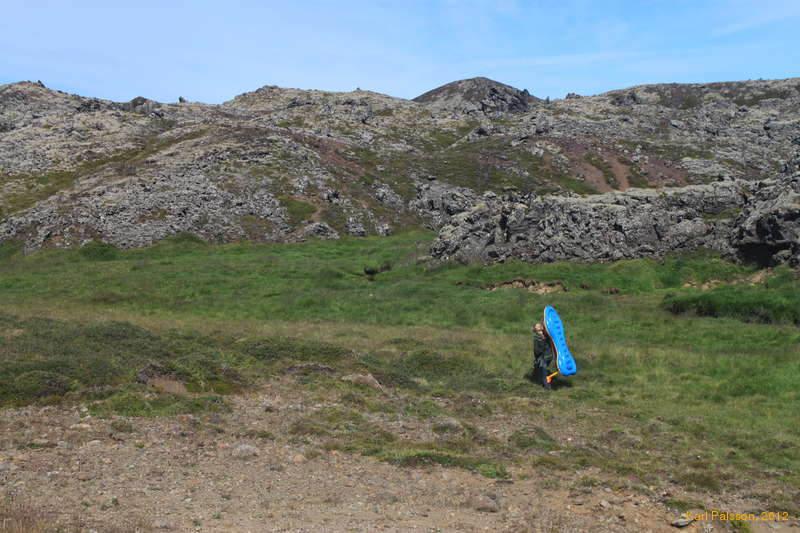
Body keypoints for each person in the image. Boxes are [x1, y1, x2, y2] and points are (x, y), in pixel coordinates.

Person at [525, 322, 554, 390]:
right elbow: (537, 350)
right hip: (546, 357)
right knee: (543, 371)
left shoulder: (543, 336)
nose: (539, 326)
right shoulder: (543, 336)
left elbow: (537, 350)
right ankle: (546, 386)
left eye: (539, 326)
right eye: (537, 326)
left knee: (543, 371)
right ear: (536, 329)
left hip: (546, 357)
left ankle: (545, 384)